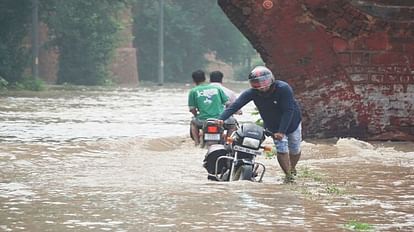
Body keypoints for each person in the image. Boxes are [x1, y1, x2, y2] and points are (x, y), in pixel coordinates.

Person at [216, 66, 302, 183]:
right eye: (256, 83)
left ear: (271, 79)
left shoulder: (283, 88)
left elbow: (288, 111)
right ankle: (288, 176)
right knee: (281, 149)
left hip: (292, 122)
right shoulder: (252, 93)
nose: (261, 86)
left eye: (264, 81)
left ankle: (292, 168)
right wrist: (221, 119)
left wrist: (282, 131)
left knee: (295, 149)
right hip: (273, 125)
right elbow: (235, 106)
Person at [188, 70, 229, 146]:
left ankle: (197, 143)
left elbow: (192, 109)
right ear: (205, 78)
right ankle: (228, 142)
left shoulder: (193, 91)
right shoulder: (217, 89)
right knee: (232, 125)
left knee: (193, 123)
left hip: (203, 120)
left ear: (193, 80)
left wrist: (196, 115)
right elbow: (228, 104)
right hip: (220, 119)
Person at [209, 71, 240, 137]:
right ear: (221, 80)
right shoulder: (229, 92)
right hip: (223, 120)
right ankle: (228, 141)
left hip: (205, 118)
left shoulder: (200, 91)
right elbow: (235, 108)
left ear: (210, 80)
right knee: (233, 126)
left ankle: (197, 142)